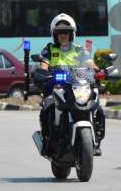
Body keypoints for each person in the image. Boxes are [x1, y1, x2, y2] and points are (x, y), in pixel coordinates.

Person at [38, 13, 106, 156]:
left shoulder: (79, 49)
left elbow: (89, 63)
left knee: (97, 107)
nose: (63, 35)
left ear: (72, 34)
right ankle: (47, 140)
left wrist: (96, 70)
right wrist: (42, 72)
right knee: (48, 106)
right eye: (59, 33)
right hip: (57, 87)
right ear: (54, 35)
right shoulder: (50, 49)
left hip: (77, 86)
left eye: (66, 32)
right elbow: (44, 64)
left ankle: (97, 139)